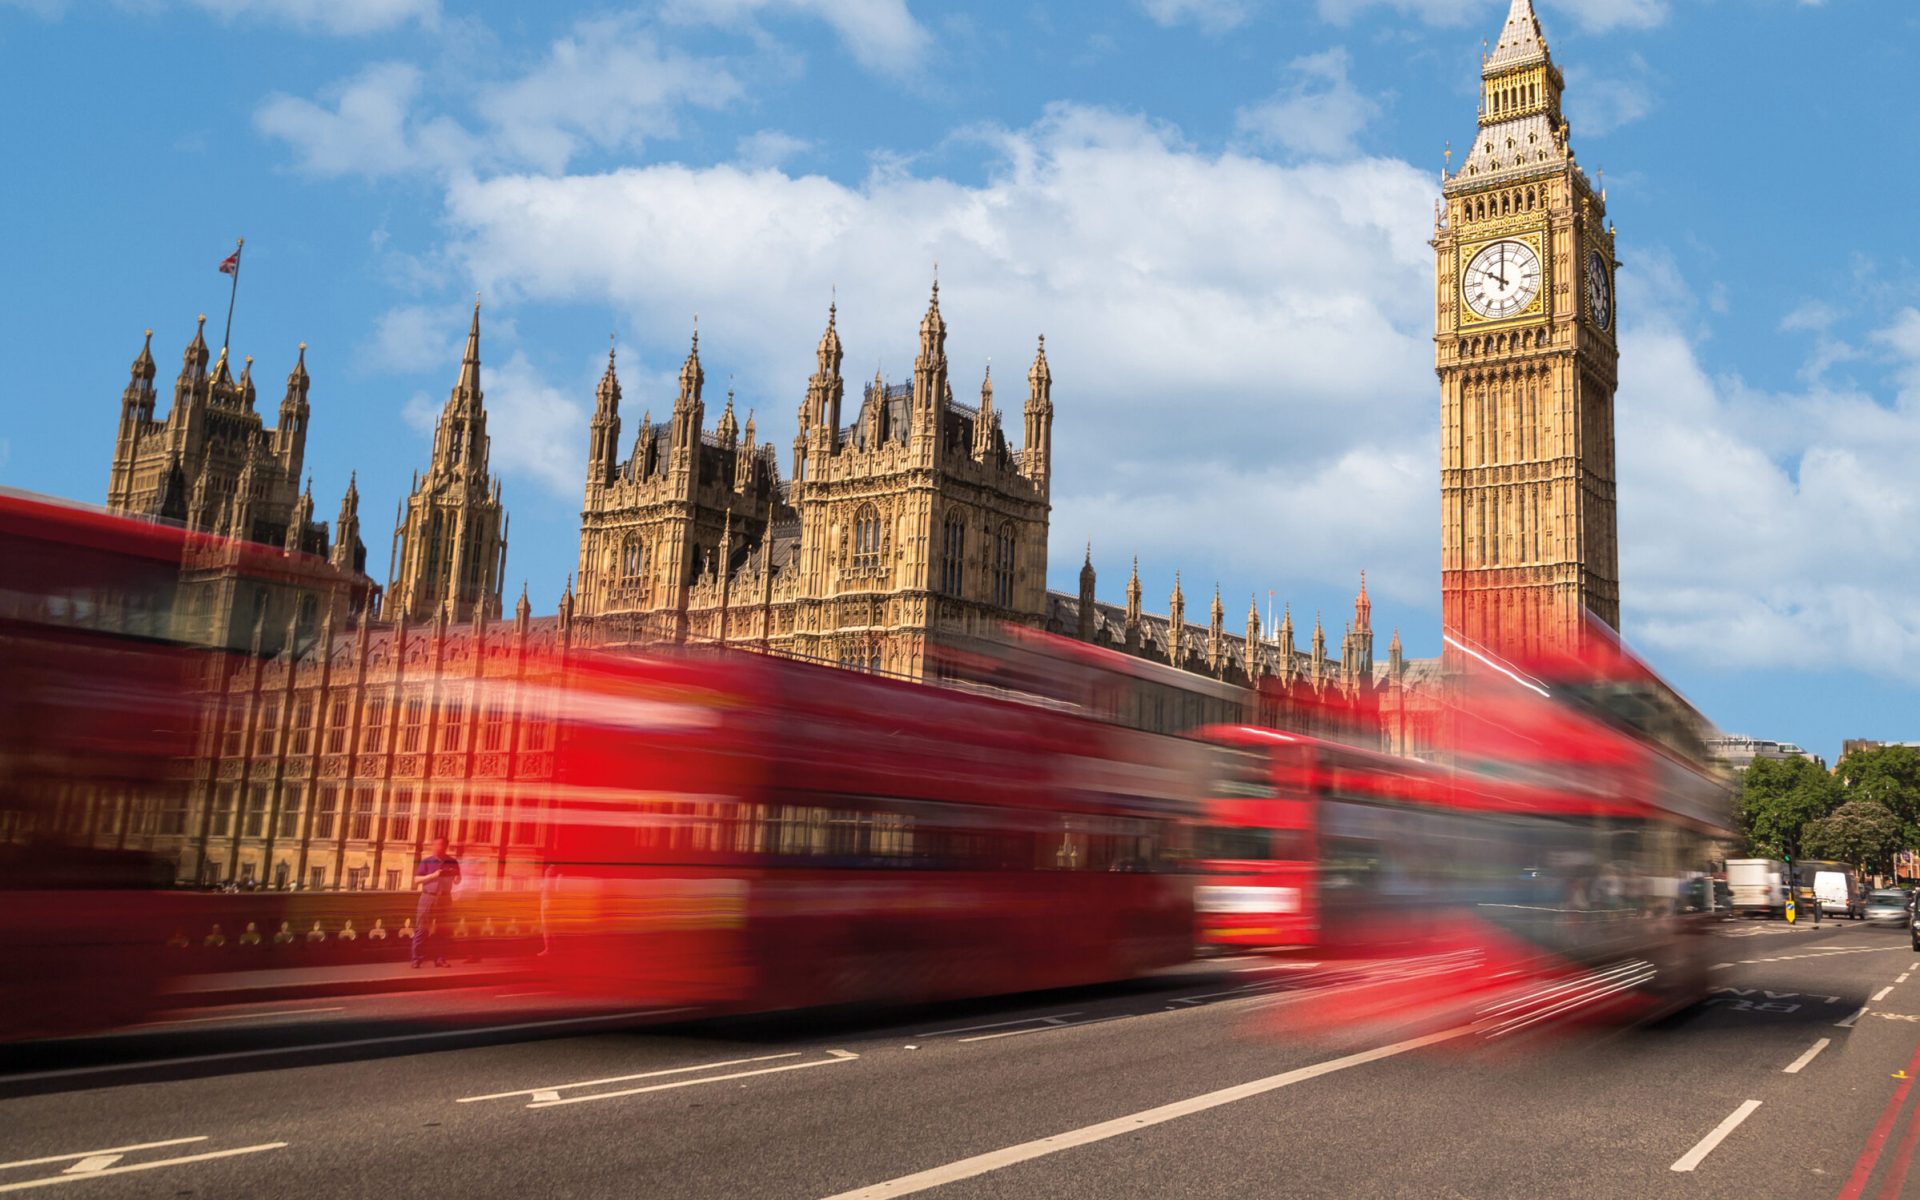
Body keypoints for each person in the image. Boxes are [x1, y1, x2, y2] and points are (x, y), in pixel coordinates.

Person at [413, 836, 460, 968]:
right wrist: (434, 875)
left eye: (440, 845)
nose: (437, 848)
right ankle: (417, 959)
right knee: (422, 929)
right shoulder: (427, 861)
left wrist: (456, 875)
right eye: (435, 845)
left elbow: (457, 881)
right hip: (428, 896)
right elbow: (417, 880)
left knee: (442, 931)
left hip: (445, 898)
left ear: (446, 847)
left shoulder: (452, 861)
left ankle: (440, 959)